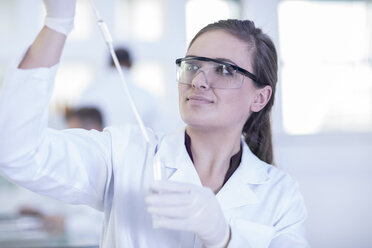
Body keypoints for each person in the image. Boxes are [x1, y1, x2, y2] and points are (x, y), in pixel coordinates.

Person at [0, 0, 310, 247]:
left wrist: (224, 238)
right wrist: (58, 23)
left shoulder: (280, 195)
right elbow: (18, 154)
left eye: (224, 71)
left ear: (259, 98)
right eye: (192, 65)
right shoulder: (124, 154)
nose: (199, 81)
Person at [75, 46, 164, 131]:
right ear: (131, 64)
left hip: (96, 146)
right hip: (135, 146)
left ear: (109, 63)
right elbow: (157, 131)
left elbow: (78, 128)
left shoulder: (89, 93)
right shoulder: (146, 96)